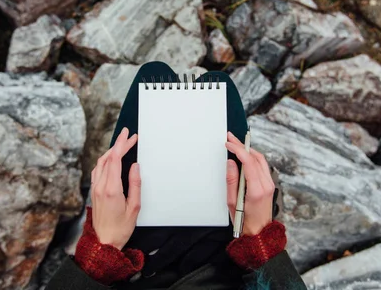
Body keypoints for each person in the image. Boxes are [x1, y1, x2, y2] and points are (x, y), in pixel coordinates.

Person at [47, 62, 307, 290]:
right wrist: (261, 248)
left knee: (154, 75)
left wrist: (99, 256)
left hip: (133, 269)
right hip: (229, 272)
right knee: (216, 86)